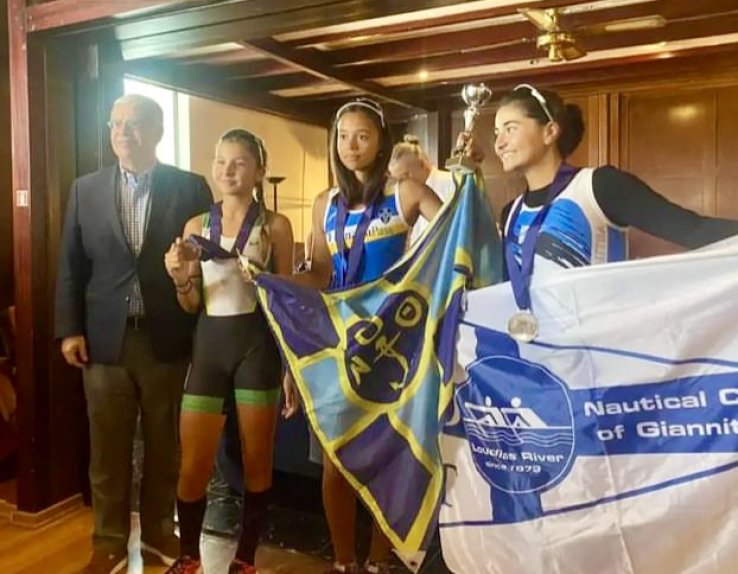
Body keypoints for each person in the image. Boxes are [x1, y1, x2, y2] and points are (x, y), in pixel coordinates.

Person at [55, 94, 212, 574]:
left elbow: (208, 264)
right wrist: (69, 330)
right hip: (103, 342)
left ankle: (160, 534)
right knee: (107, 449)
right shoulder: (85, 189)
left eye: (135, 123)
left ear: (158, 131)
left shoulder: (189, 188)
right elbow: (71, 266)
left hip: (166, 338)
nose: (123, 131)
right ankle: (109, 543)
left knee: (165, 446)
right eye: (116, 123)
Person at [290, 98, 442, 574]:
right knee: (335, 460)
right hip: (337, 342)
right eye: (343, 136)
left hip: (390, 342)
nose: (351, 146)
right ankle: (343, 561)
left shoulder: (405, 193)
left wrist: (468, 179)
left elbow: (454, 231)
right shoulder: (324, 203)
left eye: (362, 136)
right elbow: (319, 272)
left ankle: (378, 561)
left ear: (381, 142)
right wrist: (275, 283)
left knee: (383, 457)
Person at [162, 128, 294, 574]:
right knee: (193, 465)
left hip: (256, 350)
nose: (228, 170)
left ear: (259, 171)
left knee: (257, 463)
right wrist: (180, 276)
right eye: (221, 161)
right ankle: (189, 557)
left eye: (239, 163)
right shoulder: (196, 226)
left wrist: (290, 368)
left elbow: (285, 303)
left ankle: (245, 557)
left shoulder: (275, 226)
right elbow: (191, 304)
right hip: (210, 350)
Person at [465, 84, 738, 278]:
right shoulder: (511, 212)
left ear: (550, 132)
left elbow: (692, 229)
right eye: (497, 132)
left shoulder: (599, 187)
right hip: (527, 342)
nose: (499, 143)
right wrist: (464, 178)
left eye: (510, 129)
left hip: (595, 342)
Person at [388, 134, 456, 245]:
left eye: (405, 176)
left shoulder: (452, 184)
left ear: (422, 164)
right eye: (398, 179)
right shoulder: (399, 197)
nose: (403, 184)